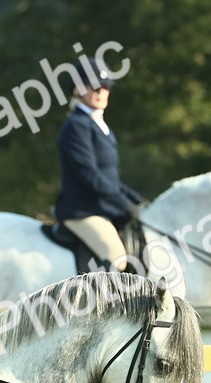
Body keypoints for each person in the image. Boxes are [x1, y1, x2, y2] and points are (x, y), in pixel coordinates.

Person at [54, 66, 143, 272]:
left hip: (102, 207)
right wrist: (122, 203)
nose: (102, 91)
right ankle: (96, 303)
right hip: (82, 210)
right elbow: (89, 174)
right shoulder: (76, 126)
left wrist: (136, 199)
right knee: (117, 258)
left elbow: (110, 179)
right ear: (78, 89)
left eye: (106, 87)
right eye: (95, 87)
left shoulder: (101, 126)